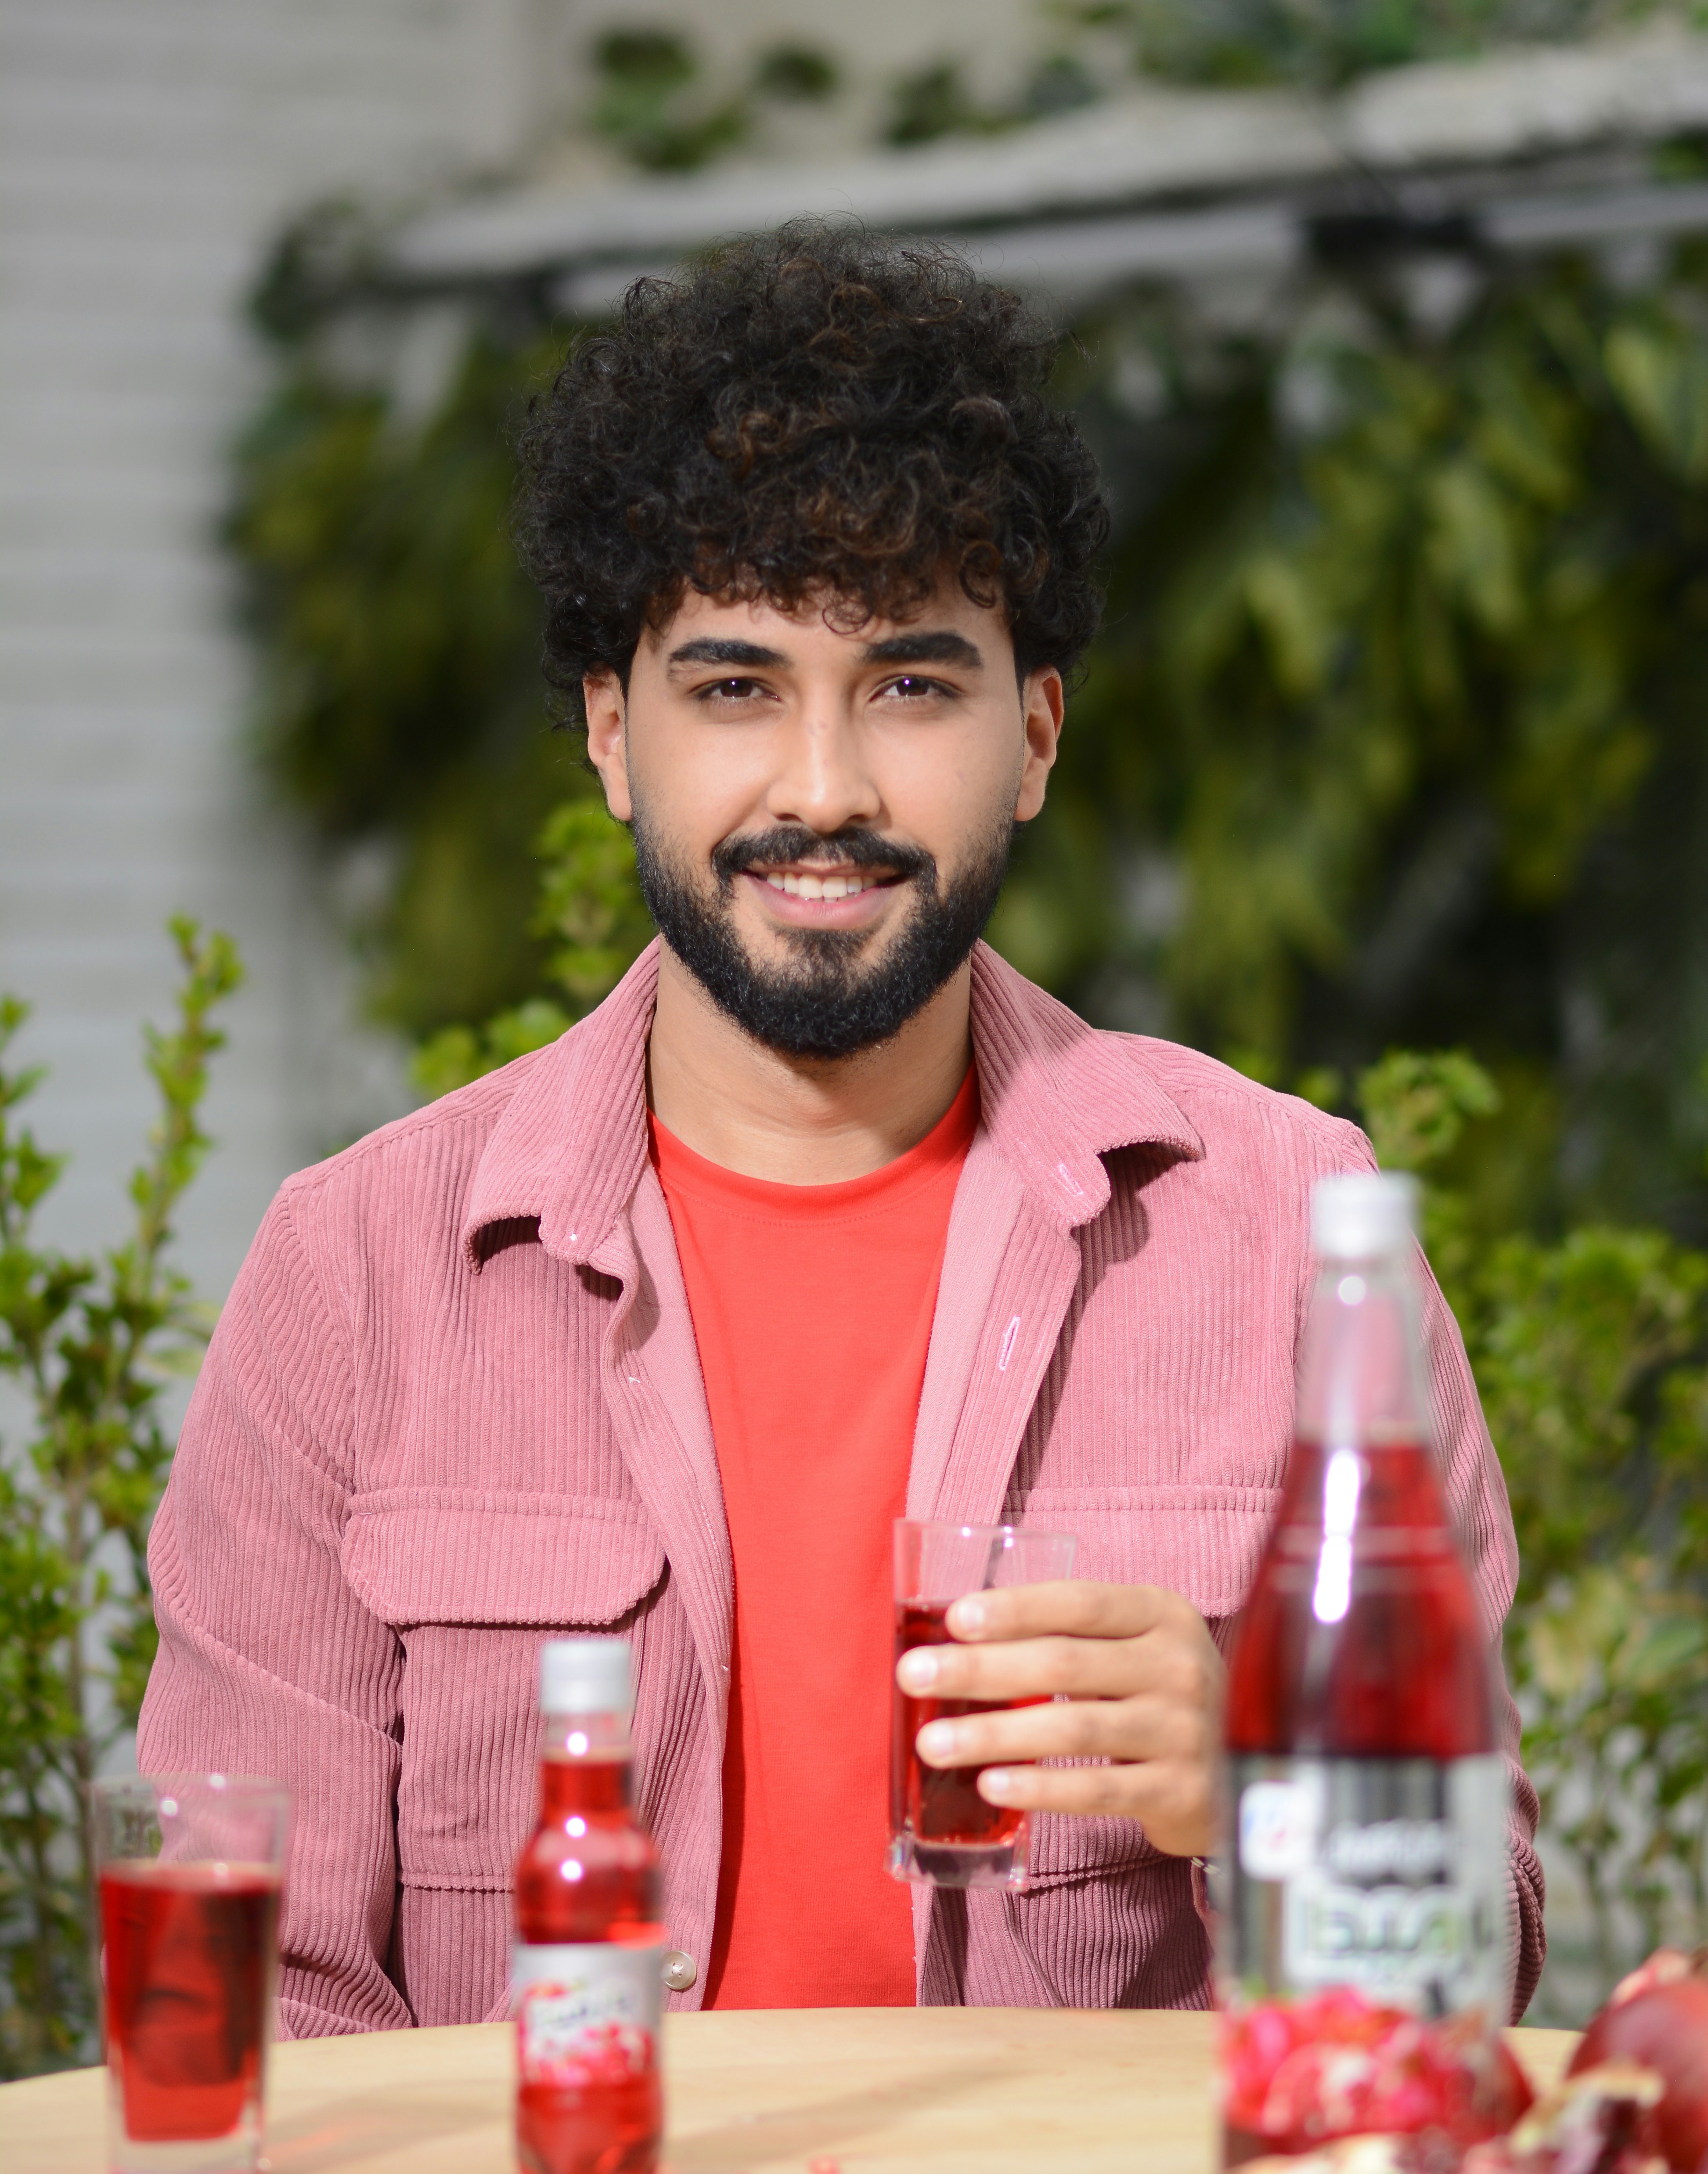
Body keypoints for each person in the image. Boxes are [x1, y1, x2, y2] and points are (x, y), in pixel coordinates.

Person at [139, 228, 1544, 2030]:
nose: (823, 789)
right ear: (611, 738)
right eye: (735, 688)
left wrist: (1274, 1793)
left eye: (910, 685)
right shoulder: (357, 1276)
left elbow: (1479, 1979)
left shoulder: (1289, 1234)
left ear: (1034, 735)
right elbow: (252, 2007)